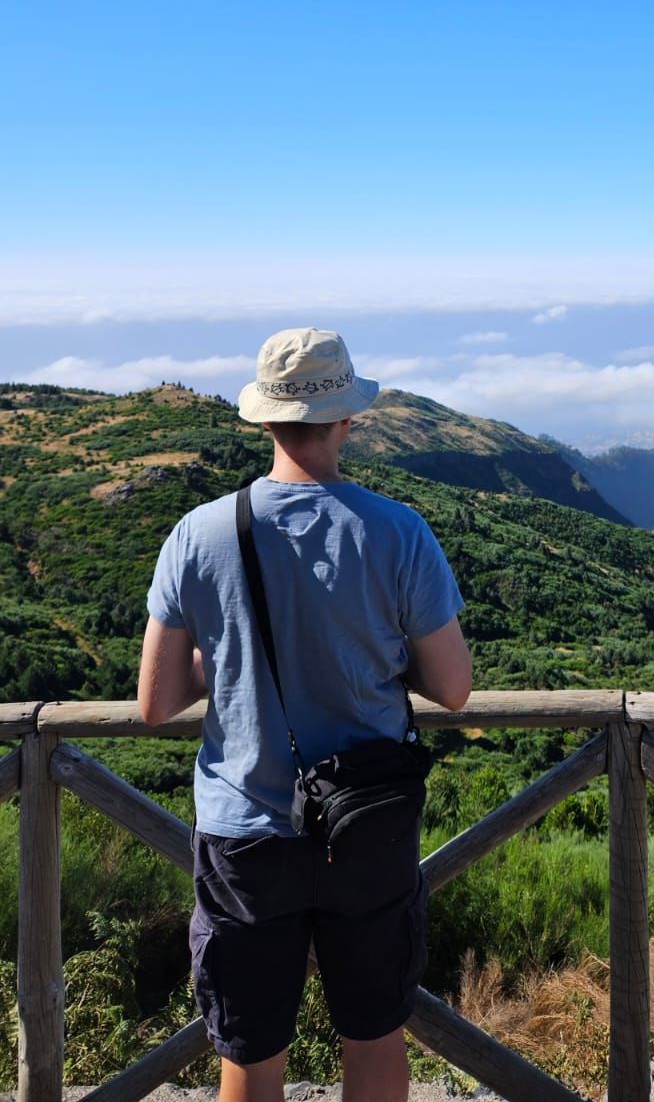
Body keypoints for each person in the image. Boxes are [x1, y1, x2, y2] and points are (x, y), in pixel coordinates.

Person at [138, 327, 472, 1102]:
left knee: (251, 1054)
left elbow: (156, 701)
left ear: (264, 418)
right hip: (366, 824)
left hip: (245, 834)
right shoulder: (398, 531)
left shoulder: (198, 534)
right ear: (346, 417)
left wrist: (234, 660)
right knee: (375, 1040)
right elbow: (453, 688)